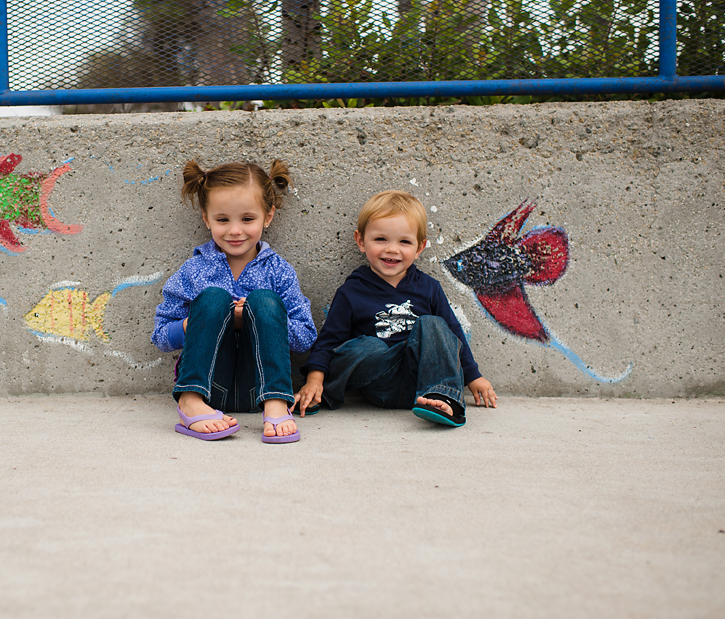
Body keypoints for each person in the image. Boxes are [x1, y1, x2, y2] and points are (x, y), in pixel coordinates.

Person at [295, 190, 496, 427]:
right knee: (367, 345)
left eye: (404, 241)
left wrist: (474, 377)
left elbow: (452, 337)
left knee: (433, 324)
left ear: (420, 247)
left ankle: (444, 397)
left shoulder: (429, 288)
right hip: (377, 382)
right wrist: (314, 380)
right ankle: (322, 393)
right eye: (381, 239)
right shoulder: (351, 292)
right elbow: (329, 341)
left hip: (420, 381)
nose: (392, 249)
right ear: (361, 241)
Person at [152, 159, 317, 443]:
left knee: (264, 300)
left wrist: (255, 317)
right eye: (223, 219)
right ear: (206, 218)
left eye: (247, 219)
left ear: (268, 216)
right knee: (213, 298)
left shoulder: (278, 270)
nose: (235, 230)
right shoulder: (196, 270)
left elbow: (305, 337)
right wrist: (194, 324)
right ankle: (189, 401)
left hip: (262, 387)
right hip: (209, 388)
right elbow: (160, 335)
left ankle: (277, 403)